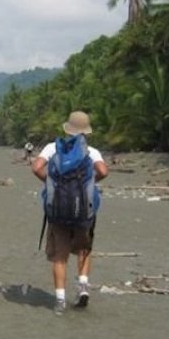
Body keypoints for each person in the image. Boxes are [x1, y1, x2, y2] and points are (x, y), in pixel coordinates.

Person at [32, 111, 108, 315]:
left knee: (60, 255)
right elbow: (103, 171)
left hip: (58, 210)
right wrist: (87, 186)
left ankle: (60, 301)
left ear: (68, 128)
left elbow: (36, 167)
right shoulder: (91, 151)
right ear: (86, 131)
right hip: (84, 211)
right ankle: (83, 287)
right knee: (84, 249)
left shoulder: (52, 148)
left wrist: (53, 184)